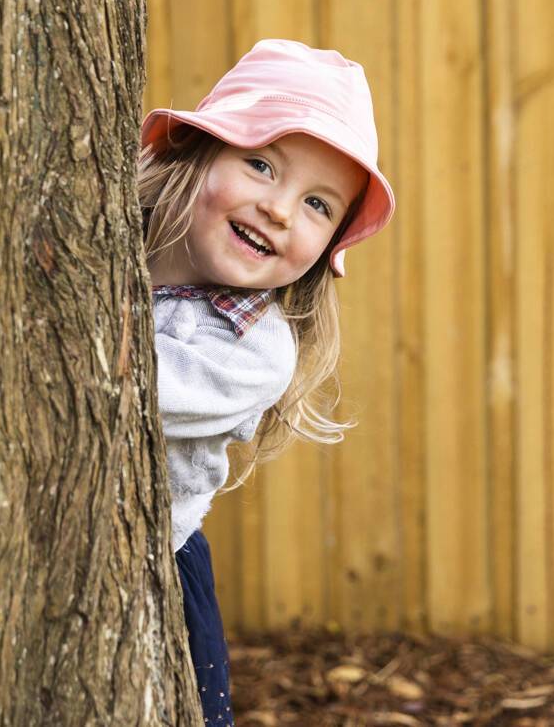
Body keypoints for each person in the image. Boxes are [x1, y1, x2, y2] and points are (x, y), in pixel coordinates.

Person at [138, 39, 396, 727]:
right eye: (260, 165)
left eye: (317, 204)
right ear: (196, 154)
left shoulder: (253, 349)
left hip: (152, 563)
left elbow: (126, 390)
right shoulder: (105, 235)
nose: (280, 209)